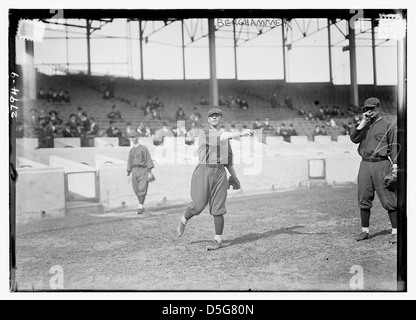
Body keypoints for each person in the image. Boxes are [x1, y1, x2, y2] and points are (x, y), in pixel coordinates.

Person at [176, 107, 254, 251]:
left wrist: (234, 177)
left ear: (220, 119)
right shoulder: (204, 131)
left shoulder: (225, 137)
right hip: (204, 170)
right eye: (212, 115)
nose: (214, 117)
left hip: (220, 172)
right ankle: (183, 220)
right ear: (208, 119)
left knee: (218, 207)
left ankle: (218, 240)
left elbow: (228, 160)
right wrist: (241, 133)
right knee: (198, 206)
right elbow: (221, 137)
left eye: (217, 115)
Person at [350, 97, 398, 244]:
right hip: (365, 164)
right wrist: (363, 122)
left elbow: (394, 147)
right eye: (367, 109)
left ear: (379, 108)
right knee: (363, 197)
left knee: (389, 198)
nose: (369, 111)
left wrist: (395, 167)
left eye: (372, 108)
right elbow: (353, 138)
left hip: (382, 164)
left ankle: (396, 231)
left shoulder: (388, 125)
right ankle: (365, 231)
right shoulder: (364, 124)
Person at [127, 136, 155, 214]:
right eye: (131, 137)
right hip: (134, 170)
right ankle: (141, 205)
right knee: (136, 188)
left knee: (142, 187)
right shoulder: (132, 150)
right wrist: (128, 173)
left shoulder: (143, 148)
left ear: (137, 138)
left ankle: (140, 205)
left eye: (134, 137)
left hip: (143, 169)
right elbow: (129, 162)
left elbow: (148, 160)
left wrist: (149, 172)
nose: (133, 139)